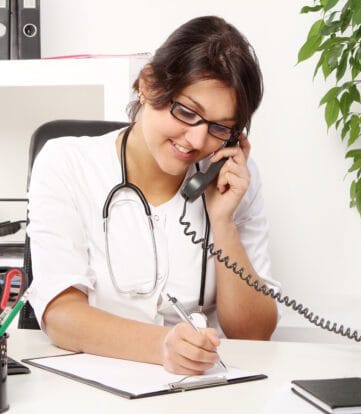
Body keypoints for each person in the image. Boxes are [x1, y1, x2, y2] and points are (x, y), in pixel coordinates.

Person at [27, 15, 280, 375]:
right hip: (96, 382)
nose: (196, 141)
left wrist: (223, 222)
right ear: (148, 85)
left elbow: (253, 335)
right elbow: (61, 315)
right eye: (187, 112)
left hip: (206, 389)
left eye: (219, 128)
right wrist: (162, 347)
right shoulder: (65, 162)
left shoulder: (233, 179)